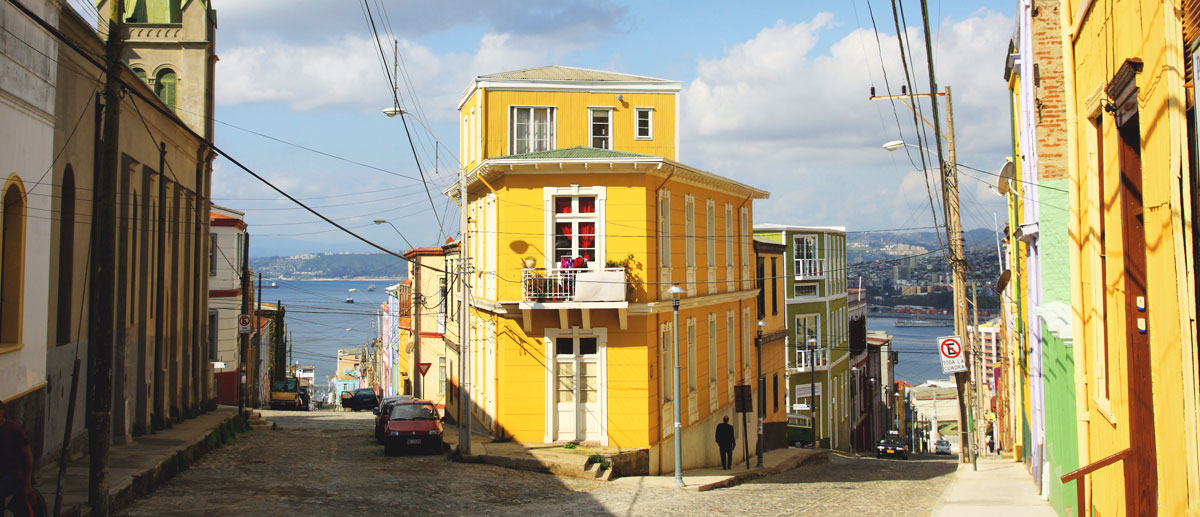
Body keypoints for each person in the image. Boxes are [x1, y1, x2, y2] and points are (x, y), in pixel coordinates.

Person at [1, 398, 35, 515]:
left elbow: (28, 455)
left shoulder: (13, 430)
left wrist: (27, 482)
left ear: (2, 412)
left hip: (14, 475)